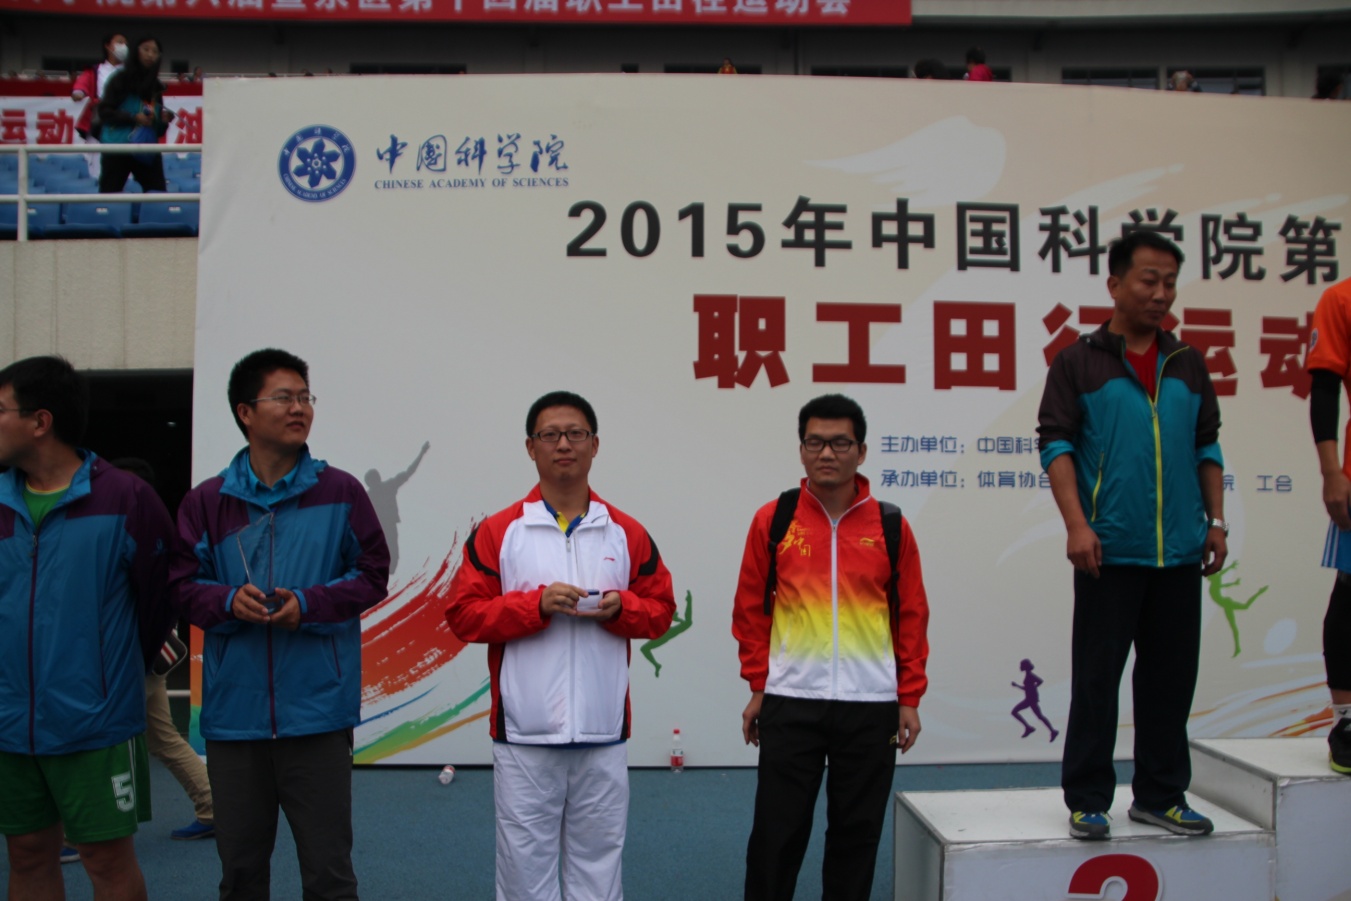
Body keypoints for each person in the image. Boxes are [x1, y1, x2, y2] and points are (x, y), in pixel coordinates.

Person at [173, 348, 389, 900]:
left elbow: (372, 575)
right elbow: (180, 585)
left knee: (330, 876)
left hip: (318, 713)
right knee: (241, 876)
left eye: (305, 397)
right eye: (284, 397)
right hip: (234, 718)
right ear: (245, 412)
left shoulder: (340, 491)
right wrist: (227, 601)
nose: (300, 408)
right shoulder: (207, 502)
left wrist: (308, 605)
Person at [445, 391, 674, 901]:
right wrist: (535, 606)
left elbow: (661, 610)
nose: (563, 445)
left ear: (595, 445)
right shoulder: (499, 531)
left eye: (576, 434)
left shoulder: (626, 532)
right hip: (524, 735)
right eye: (550, 435)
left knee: (599, 865)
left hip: (603, 732)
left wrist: (623, 609)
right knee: (524, 871)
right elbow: (463, 614)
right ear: (531, 447)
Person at [1038, 231, 1228, 840]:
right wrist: (1077, 525)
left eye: (1170, 282)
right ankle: (1088, 798)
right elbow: (1056, 446)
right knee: (1097, 679)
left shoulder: (1188, 362)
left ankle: (1161, 795)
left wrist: (1215, 521)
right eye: (1149, 280)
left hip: (1179, 553)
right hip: (1108, 550)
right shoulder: (1078, 361)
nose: (1161, 293)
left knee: (1170, 681)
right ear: (1115, 284)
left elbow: (1207, 446)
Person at [732, 393, 930, 901]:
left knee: (856, 837)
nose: (826, 453)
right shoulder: (775, 519)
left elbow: (911, 616)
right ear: (801, 450)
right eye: (815, 442)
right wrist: (760, 685)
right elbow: (750, 610)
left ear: (861, 452)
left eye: (840, 443)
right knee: (776, 836)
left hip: (870, 705)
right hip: (791, 700)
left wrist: (908, 697)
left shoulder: (890, 525)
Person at [0, 355, 175, 901]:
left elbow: (159, 604)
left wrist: (108, 680)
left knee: (106, 861)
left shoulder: (126, 498)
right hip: (9, 723)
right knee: (28, 854)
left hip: (94, 724)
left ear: (40, 421)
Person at [112, 456, 216, 841]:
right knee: (163, 737)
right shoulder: (148, 529)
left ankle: (80, 835)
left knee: (98, 741)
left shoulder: (130, 533)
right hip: (145, 656)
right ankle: (213, 806)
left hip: (128, 657)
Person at [1303, 274, 1351, 773]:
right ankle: (1347, 720)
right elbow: (1325, 387)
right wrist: (1332, 471)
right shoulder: (1341, 299)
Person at [97, 34, 174, 195]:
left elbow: (158, 130)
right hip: (117, 147)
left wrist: (162, 120)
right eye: (146, 49)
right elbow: (104, 111)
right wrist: (133, 118)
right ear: (136, 51)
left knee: (157, 193)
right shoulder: (119, 79)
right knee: (109, 195)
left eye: (155, 52)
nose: (150, 55)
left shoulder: (156, 86)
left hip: (145, 147)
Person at [364, 440, 430, 576]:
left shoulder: (385, 488)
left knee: (391, 555)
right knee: (388, 555)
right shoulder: (374, 493)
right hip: (380, 528)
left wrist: (422, 453)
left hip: (385, 526)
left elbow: (409, 471)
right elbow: (409, 471)